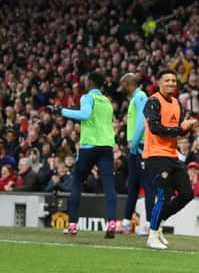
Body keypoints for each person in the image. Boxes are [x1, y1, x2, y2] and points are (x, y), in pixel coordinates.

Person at [143, 69, 199, 249]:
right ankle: (152, 236)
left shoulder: (176, 103)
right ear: (159, 83)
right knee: (163, 195)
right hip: (156, 155)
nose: (171, 83)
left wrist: (189, 126)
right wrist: (181, 129)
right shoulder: (152, 101)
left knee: (187, 194)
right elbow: (156, 128)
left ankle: (158, 222)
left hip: (172, 155)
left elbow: (180, 128)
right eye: (167, 80)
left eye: (174, 81)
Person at [60, 71, 118, 238]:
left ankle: (72, 225)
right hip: (106, 146)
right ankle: (112, 222)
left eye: (86, 80)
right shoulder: (107, 101)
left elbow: (85, 115)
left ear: (91, 82)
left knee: (77, 181)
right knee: (109, 185)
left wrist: (62, 111)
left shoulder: (87, 97)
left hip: (89, 146)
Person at [119, 73, 155, 235]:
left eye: (123, 85)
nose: (122, 89)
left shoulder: (140, 96)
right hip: (134, 148)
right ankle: (127, 222)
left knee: (148, 186)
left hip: (141, 147)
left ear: (128, 83)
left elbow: (142, 121)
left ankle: (150, 225)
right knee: (132, 185)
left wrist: (133, 144)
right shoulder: (135, 98)